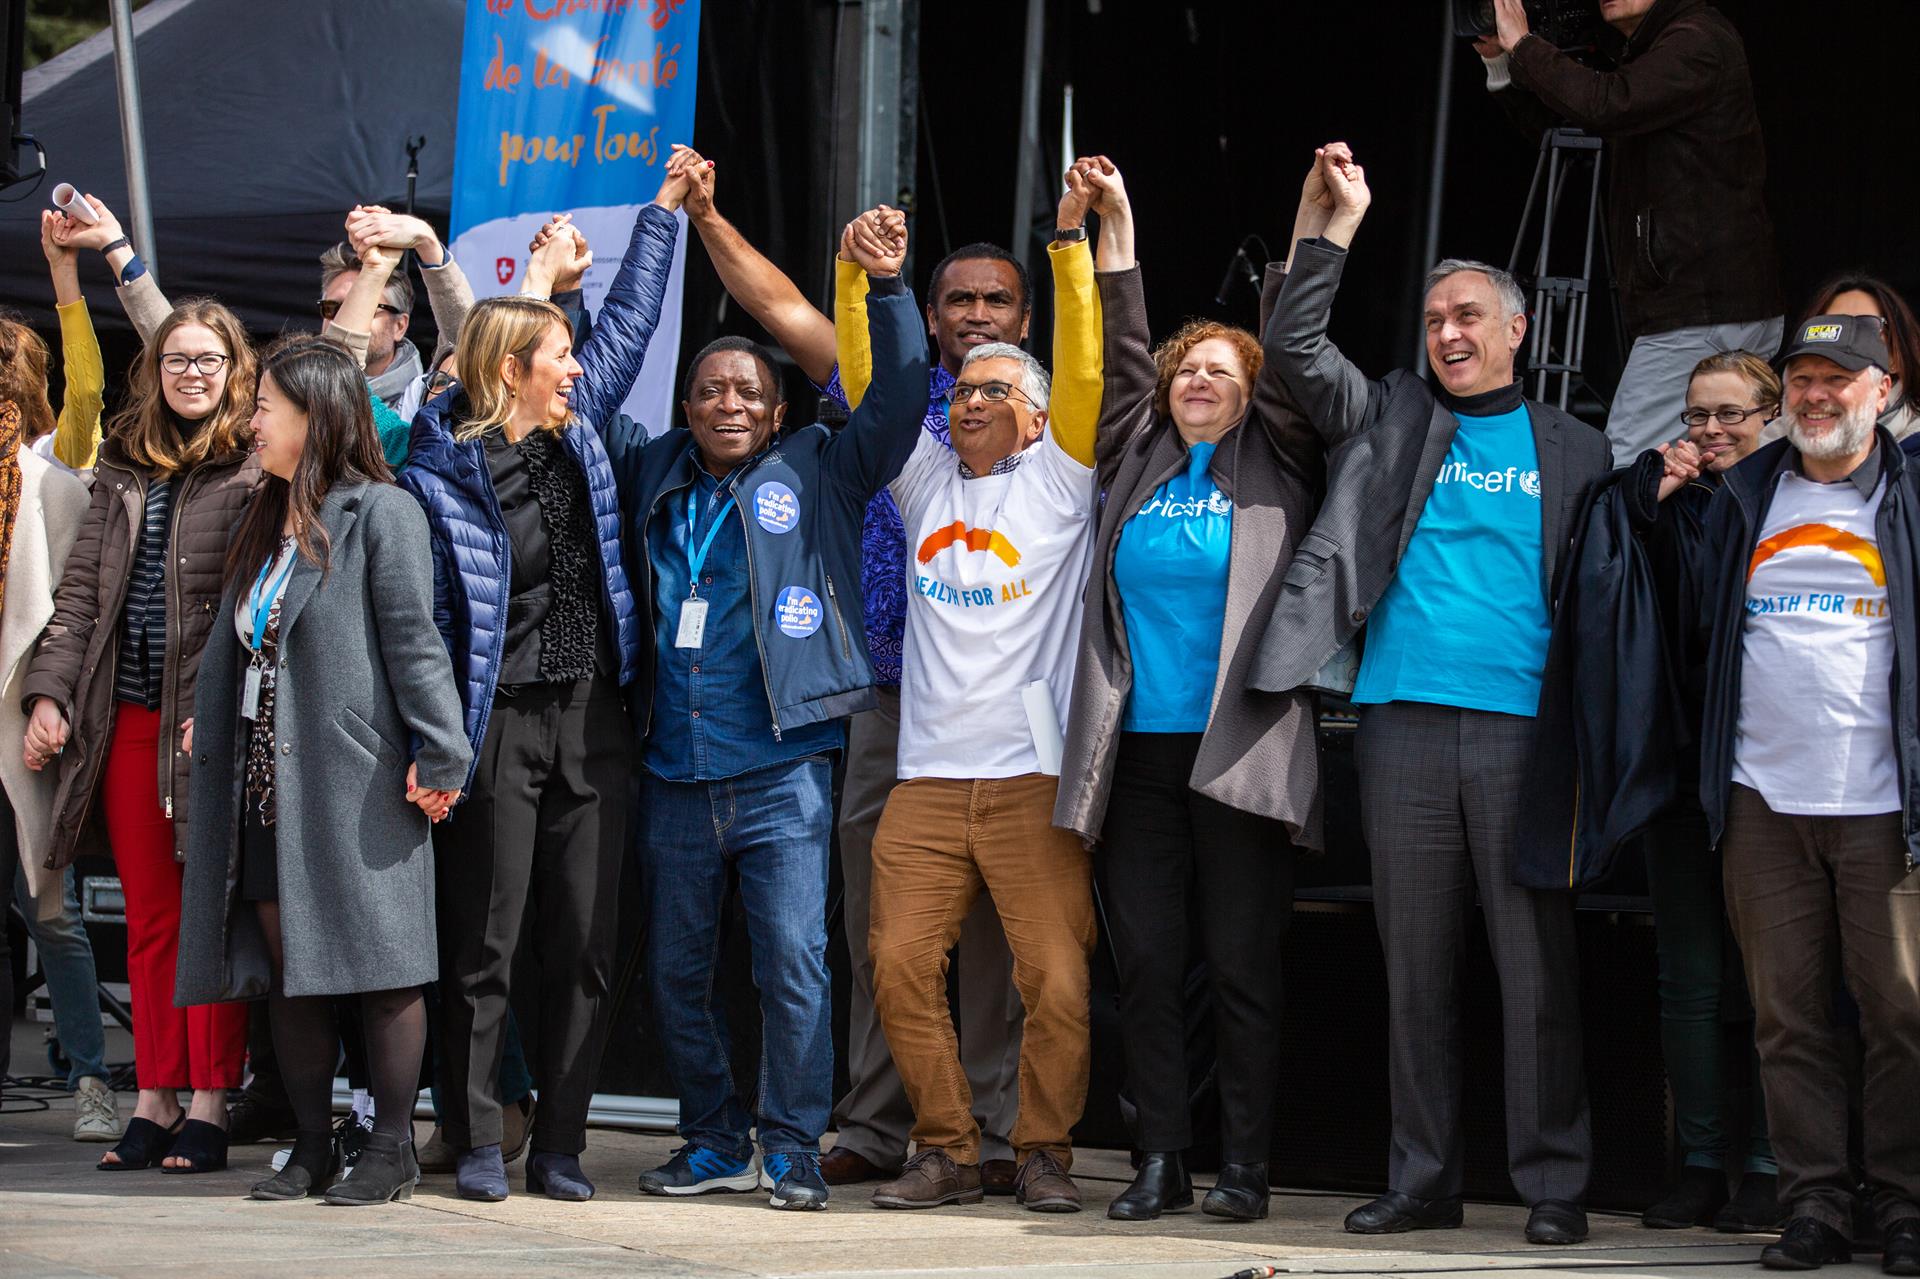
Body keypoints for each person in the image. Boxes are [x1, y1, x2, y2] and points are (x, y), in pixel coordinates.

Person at [1249, 144, 1609, 1244]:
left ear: (1518, 329)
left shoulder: (1580, 449)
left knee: (1535, 968)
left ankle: (1553, 1186)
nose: (1448, 333)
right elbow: (1293, 347)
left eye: (1468, 316)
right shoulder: (1391, 415)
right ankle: (1422, 1179)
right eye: (1434, 319)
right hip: (1400, 722)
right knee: (1415, 969)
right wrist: (1333, 231)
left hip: (1525, 733)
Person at [670, 144, 1025, 1192]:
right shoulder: (888, 396)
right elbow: (777, 306)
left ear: (1024, 316)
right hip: (883, 696)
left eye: (996, 300)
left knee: (1000, 933)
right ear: (934, 313)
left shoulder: (1056, 423)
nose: (975, 314)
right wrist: (705, 216)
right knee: (881, 923)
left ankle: (993, 1132)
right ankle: (875, 1119)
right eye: (957, 299)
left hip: (1007, 708)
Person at [615, 205, 927, 1214]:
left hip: (782, 766)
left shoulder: (824, 466)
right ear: (686, 406)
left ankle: (792, 1145)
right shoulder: (649, 470)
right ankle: (714, 1139)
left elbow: (901, 397)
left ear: (779, 409)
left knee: (794, 967)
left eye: (749, 389)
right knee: (675, 973)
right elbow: (592, 392)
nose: (729, 403)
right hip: (672, 768)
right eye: (710, 389)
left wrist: (888, 288)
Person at [401, 164, 694, 1203]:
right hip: (496, 725)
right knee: (484, 943)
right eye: (558, 355)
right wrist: (434, 741)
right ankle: (480, 1137)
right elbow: (431, 624)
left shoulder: (583, 436)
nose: (576, 368)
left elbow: (633, 324)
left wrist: (663, 215)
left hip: (594, 718)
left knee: (584, 943)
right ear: (510, 370)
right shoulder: (442, 466)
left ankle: (562, 1144)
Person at [1051, 155, 1321, 1223]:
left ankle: (1244, 1166)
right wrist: (1112, 222)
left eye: (1221, 369)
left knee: (1242, 967)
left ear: (1253, 392)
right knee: (1151, 966)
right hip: (1139, 756)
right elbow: (1123, 343)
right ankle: (1159, 1157)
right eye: (1187, 370)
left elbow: (1294, 355)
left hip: (1238, 748)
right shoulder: (1139, 452)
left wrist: (1311, 229)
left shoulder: (1280, 456)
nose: (1198, 380)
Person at [170, 336, 470, 1204]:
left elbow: (416, 642)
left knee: (384, 966)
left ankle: (390, 1146)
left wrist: (442, 750)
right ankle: (309, 1145)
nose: (252, 422)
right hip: (267, 783)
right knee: (289, 969)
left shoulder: (382, 511)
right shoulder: (264, 517)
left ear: (316, 417)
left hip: (358, 777)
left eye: (266, 407)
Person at [1659, 315, 1920, 1274]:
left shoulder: (1910, 493)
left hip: (1886, 806)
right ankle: (1813, 1204)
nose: (1815, 394)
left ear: (1882, 391)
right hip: (1762, 801)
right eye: (1802, 377)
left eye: (1836, 378)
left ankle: (1905, 1205)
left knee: (1902, 1017)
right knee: (1788, 1017)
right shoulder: (1745, 493)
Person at [862, 206, 1101, 1215]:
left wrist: (1070, 249)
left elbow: (1085, 367)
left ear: (1038, 415)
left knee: (1057, 979)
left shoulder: (1063, 480)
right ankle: (948, 1148)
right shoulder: (924, 481)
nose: (969, 401)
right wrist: (867, 281)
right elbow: (877, 386)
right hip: (926, 779)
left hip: (1030, 777)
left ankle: (1042, 1150)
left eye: (994, 389)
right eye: (962, 389)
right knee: (898, 965)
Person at [22, 293, 264, 1175]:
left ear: (235, 369)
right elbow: (82, 595)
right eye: (176, 359)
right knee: (151, 916)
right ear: (154, 371)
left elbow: (258, 602)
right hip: (126, 720)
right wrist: (49, 693)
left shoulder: (255, 466)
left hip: (210, 722)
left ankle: (210, 1098)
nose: (191, 374)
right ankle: (155, 1094)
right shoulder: (124, 463)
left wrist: (223, 701)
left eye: (208, 359)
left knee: (211, 913)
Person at [1478, 0, 1784, 465]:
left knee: (1622, 467)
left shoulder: (1697, 39)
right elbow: (1570, 125)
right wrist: (1501, 62)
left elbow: (1606, 104)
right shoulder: (1652, 52)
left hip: (1700, 310)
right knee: (1707, 468)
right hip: (1704, 308)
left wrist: (1524, 44)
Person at [0, 349, 92, 1114]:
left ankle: (90, 1074)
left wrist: (50, 701)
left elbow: (73, 614)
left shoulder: (49, 484)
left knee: (50, 910)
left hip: (22, 719)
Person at [1762, 274, 1920, 445]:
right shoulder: (1772, 441)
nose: (1845, 335)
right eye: (1832, 324)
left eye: (1865, 326)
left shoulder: (1913, 441)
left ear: (1895, 357)